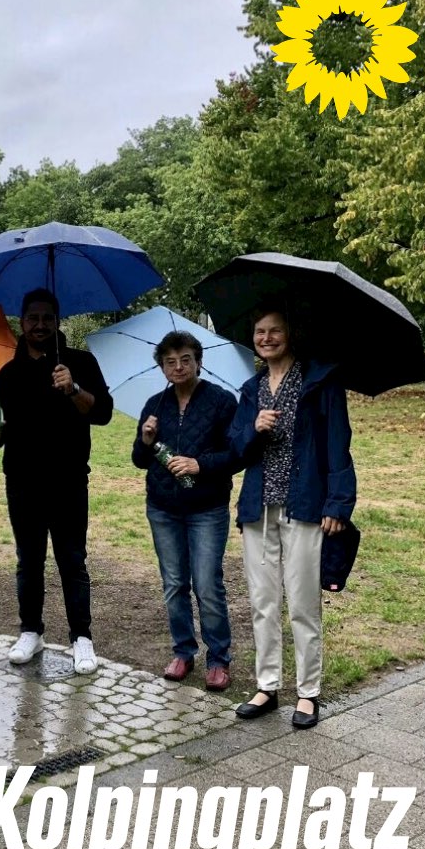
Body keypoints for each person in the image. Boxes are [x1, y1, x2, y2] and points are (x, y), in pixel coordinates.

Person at [230, 306, 356, 729]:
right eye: (260, 331)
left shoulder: (319, 382)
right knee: (263, 602)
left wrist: (338, 502)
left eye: (275, 331)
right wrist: (254, 428)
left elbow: (339, 442)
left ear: (290, 334)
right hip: (257, 509)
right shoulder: (250, 390)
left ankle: (308, 694)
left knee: (302, 604)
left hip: (304, 506)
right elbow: (236, 450)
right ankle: (267, 687)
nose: (267, 338)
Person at [0, 287, 113, 674]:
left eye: (47, 318)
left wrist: (72, 388)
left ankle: (81, 638)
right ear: (21, 323)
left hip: (69, 478)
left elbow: (103, 413)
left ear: (57, 322)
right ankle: (31, 631)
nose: (39, 325)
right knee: (29, 560)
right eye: (32, 318)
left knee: (72, 560)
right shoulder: (8, 373)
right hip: (22, 480)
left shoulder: (79, 362)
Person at [132, 331, 238, 691]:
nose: (178, 367)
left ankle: (219, 658)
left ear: (198, 361)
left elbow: (236, 455)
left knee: (207, 584)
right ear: (161, 367)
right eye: (170, 362)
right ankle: (183, 650)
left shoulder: (221, 402)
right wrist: (146, 440)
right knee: (174, 583)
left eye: (186, 360)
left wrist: (199, 464)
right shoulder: (154, 405)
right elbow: (138, 460)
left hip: (207, 508)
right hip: (163, 509)